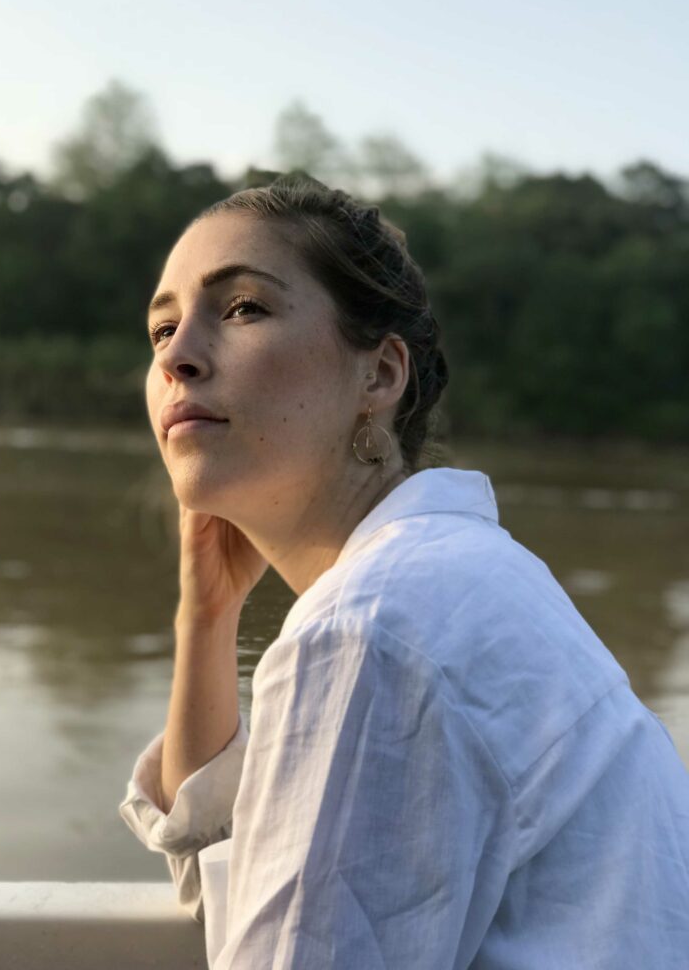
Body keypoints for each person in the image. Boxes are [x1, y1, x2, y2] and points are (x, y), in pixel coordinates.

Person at [119, 177, 689, 969]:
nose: (176, 355)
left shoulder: (374, 627)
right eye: (161, 327)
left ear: (380, 376)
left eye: (243, 307)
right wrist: (207, 618)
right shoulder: (454, 577)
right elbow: (247, 886)